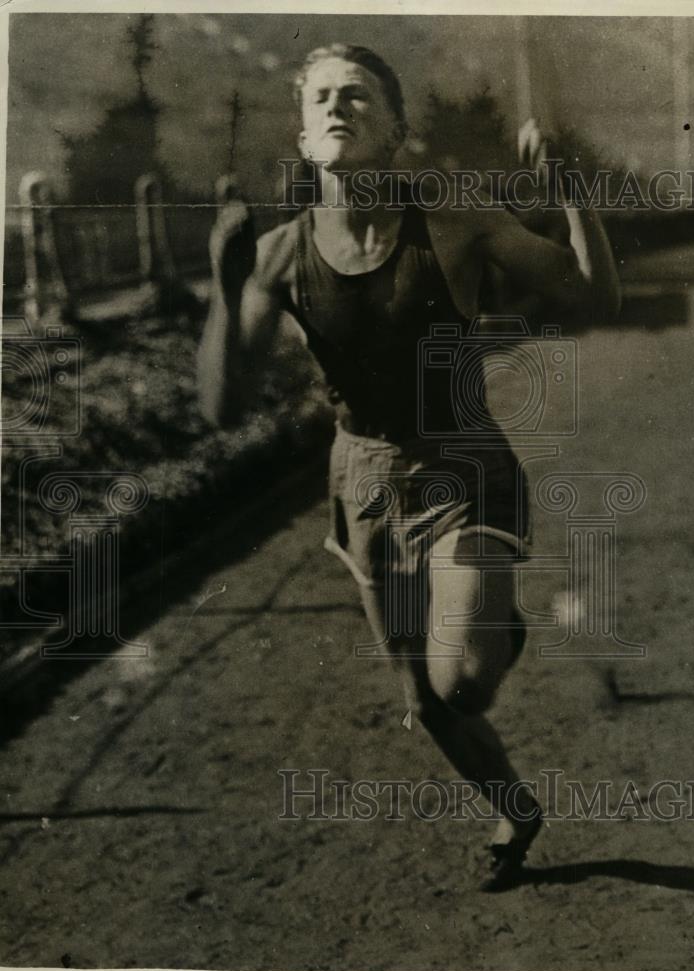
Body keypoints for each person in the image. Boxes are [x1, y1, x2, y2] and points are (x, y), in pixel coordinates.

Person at [197, 42, 621, 890]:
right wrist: (221, 281)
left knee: (461, 682)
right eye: (321, 96)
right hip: (360, 479)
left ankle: (487, 630)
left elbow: (592, 294)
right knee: (423, 699)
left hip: (462, 463)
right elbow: (221, 405)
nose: (337, 107)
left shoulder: (454, 220)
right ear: (301, 128)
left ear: (396, 129)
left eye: (358, 96)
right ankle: (514, 808)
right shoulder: (281, 255)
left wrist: (573, 193)